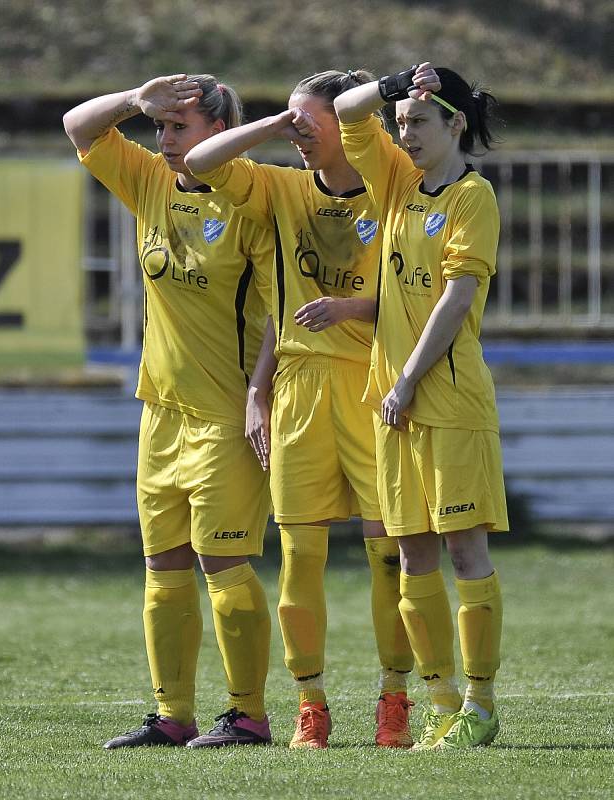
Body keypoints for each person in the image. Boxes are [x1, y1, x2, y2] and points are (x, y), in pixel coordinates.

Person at [185, 70, 415, 750]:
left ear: (347, 127)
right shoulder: (280, 187)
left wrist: (354, 308)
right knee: (301, 557)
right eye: (292, 122)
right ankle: (309, 706)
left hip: (376, 384)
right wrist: (273, 126)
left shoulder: (392, 182)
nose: (300, 135)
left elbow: (421, 298)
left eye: (310, 122)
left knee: (389, 556)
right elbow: (200, 162)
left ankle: (393, 699)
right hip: (301, 392)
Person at [63, 74, 275, 749]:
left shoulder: (251, 196)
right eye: (160, 128)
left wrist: (259, 395)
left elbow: (278, 310)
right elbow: (78, 125)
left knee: (225, 566)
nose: (164, 140)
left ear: (217, 131)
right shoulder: (152, 180)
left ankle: (248, 716)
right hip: (161, 412)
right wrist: (133, 98)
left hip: (225, 415)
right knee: (163, 570)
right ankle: (172, 715)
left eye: (178, 128)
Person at [334, 62, 508, 750]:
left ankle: (480, 704)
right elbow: (348, 114)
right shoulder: (396, 183)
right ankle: (439, 702)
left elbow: (456, 297)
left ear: (454, 123)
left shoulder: (473, 196)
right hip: (394, 404)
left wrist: (406, 379)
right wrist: (394, 83)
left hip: (448, 400)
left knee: (464, 551)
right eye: (400, 122)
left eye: (416, 121)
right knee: (410, 557)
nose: (402, 133)